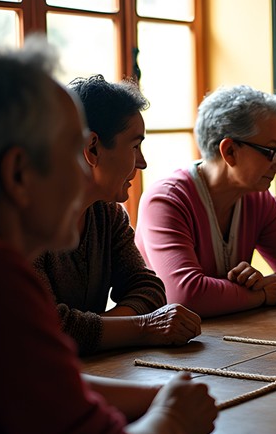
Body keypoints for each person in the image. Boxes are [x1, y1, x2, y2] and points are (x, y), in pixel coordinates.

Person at [0, 42, 223, 434]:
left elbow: (30, 390)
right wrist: (172, 420)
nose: (85, 174)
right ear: (17, 173)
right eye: (70, 154)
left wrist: (158, 397)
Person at [33, 75, 201, 355]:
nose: (142, 162)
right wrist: (144, 327)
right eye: (135, 146)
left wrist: (91, 332)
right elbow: (49, 328)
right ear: (92, 148)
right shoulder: (25, 223)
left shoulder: (108, 215)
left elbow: (148, 288)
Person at [136, 85, 276, 317]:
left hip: (221, 340)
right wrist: (262, 295)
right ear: (230, 151)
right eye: (271, 152)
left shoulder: (258, 199)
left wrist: (269, 282)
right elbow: (185, 296)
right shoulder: (166, 200)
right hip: (162, 349)